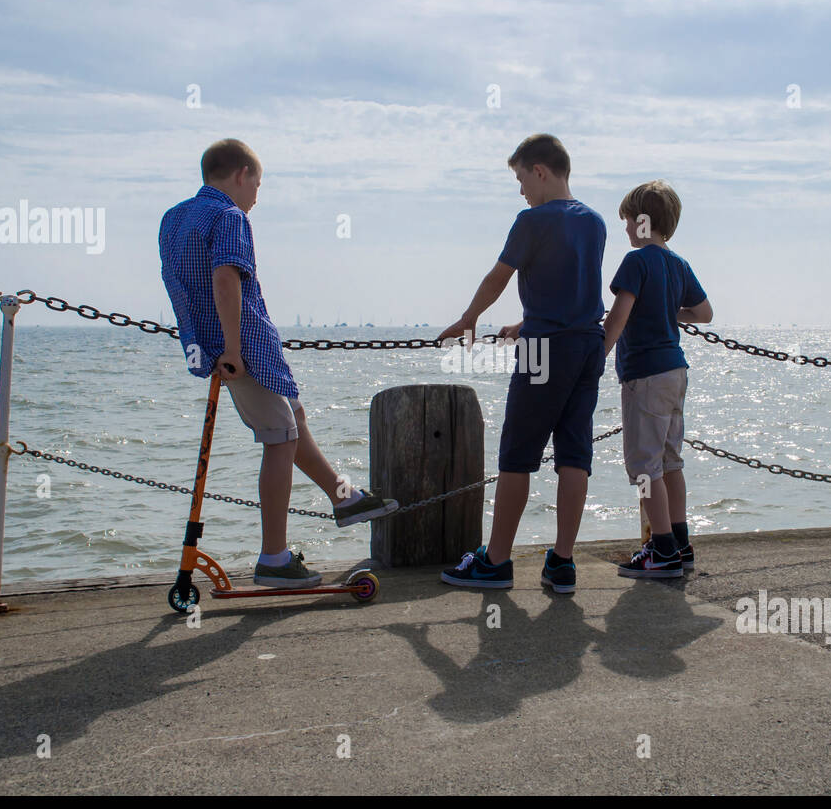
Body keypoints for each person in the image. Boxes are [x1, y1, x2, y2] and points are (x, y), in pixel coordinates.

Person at [159, 138, 396, 588]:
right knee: (279, 438)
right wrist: (231, 348)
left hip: (209, 344)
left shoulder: (173, 219)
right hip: (241, 349)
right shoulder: (230, 216)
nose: (256, 198)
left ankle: (343, 497)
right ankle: (274, 558)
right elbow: (225, 279)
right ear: (242, 175)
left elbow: (178, 285)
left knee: (294, 418)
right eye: (258, 186)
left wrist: (200, 343)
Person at [437, 134, 606, 595]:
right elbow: (571, 291)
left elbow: (499, 275)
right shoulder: (595, 222)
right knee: (575, 456)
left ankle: (495, 562)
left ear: (540, 171)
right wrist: (525, 321)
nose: (520, 191)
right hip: (588, 345)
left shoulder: (531, 220)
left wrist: (469, 319)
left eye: (520, 179)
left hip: (543, 350)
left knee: (516, 457)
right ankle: (562, 563)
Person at [602, 180, 712, 578]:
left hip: (645, 376)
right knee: (670, 462)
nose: (627, 229)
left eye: (628, 221)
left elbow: (617, 317)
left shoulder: (636, 263)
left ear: (643, 222)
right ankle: (680, 544)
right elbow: (704, 313)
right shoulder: (678, 264)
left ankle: (661, 550)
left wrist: (597, 356)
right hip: (675, 372)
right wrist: (668, 313)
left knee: (645, 468)